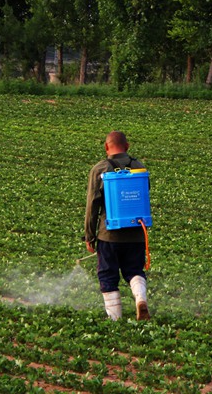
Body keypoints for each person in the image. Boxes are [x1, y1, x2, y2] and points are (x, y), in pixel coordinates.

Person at [85, 131, 150, 321]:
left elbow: (92, 206)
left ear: (106, 147)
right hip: (137, 232)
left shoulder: (100, 169)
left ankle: (115, 321)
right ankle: (140, 298)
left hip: (109, 236)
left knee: (107, 275)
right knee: (134, 271)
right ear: (127, 146)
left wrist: (89, 236)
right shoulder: (139, 166)